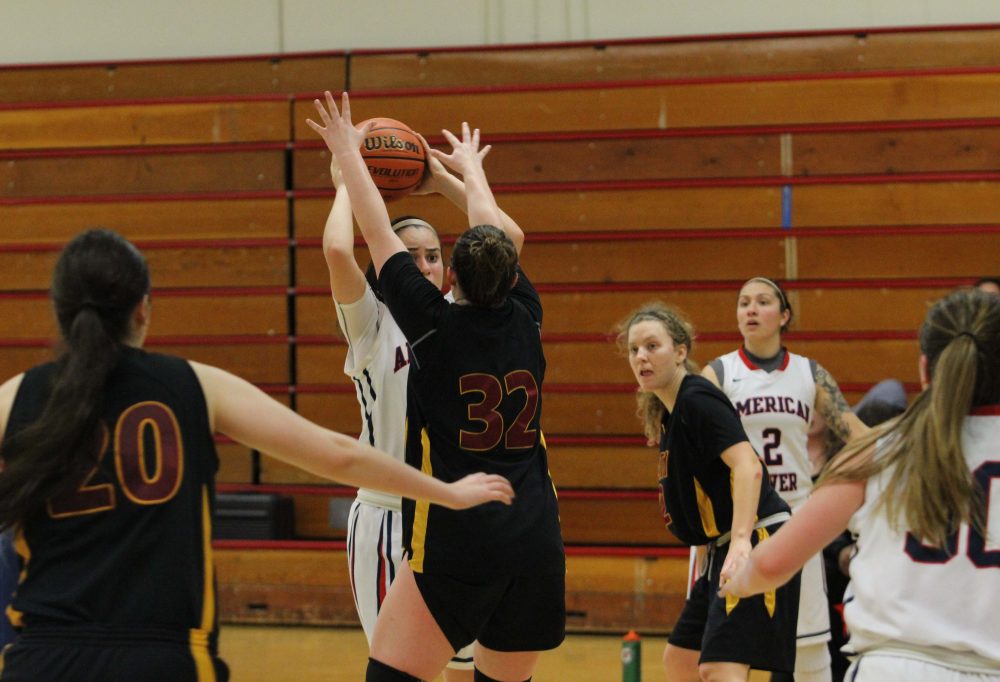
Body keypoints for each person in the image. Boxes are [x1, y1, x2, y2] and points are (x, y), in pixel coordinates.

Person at [0, 229, 514, 682]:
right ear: (143, 308)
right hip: (165, 656)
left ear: (60, 311)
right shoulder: (193, 385)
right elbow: (337, 455)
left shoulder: (13, 399)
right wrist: (445, 492)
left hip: (38, 656)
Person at [307, 91, 565, 682]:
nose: (421, 266)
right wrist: (461, 173)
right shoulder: (526, 316)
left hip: (453, 524)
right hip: (523, 527)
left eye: (433, 257)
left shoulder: (435, 326)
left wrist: (349, 160)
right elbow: (502, 239)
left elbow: (371, 232)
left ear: (449, 275)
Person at [721, 288, 1000, 681]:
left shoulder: (879, 450)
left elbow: (772, 562)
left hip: (892, 666)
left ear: (925, 368)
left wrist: (737, 583)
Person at [617, 301, 800, 682]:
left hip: (758, 534)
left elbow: (748, 465)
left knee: (720, 666)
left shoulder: (697, 399)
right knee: (681, 659)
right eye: (634, 349)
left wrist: (739, 542)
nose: (641, 357)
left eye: (653, 346)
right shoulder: (672, 411)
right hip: (719, 547)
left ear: (681, 351)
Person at [702, 276, 869, 682]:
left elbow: (856, 434)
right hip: (738, 523)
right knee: (717, 652)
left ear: (784, 315)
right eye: (744, 303)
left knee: (810, 648)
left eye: (762, 302)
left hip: (795, 518)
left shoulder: (809, 374)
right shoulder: (718, 374)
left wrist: (905, 444)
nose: (751, 310)